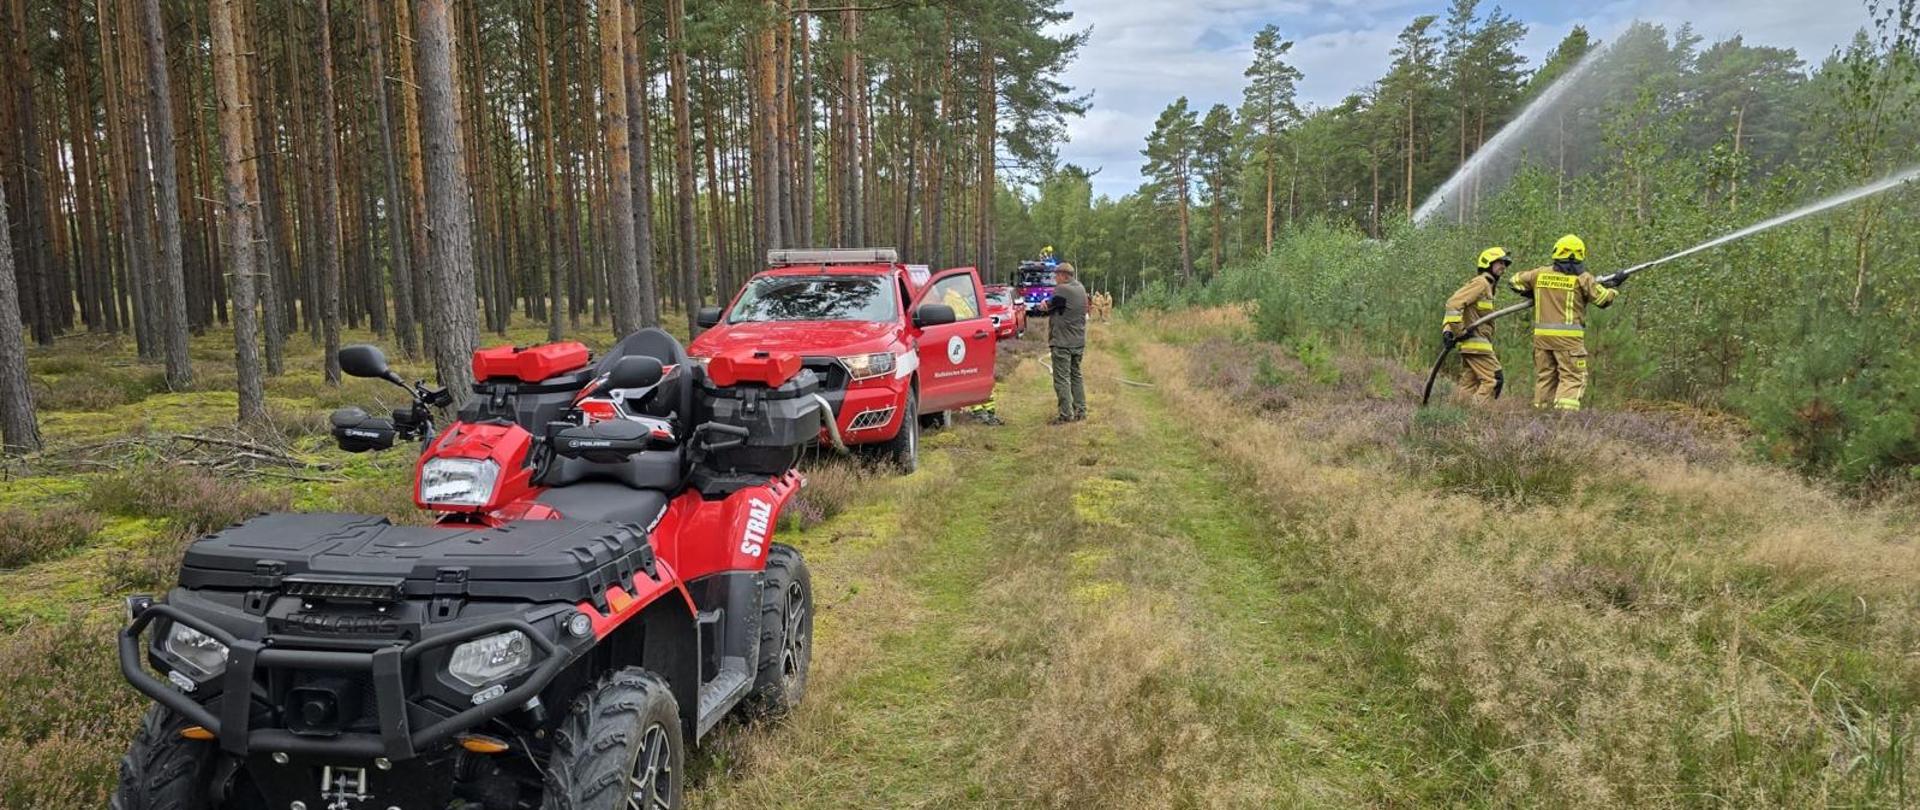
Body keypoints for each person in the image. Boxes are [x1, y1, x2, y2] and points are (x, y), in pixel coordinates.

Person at [1507, 234, 1621, 411]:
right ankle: (1563, 421)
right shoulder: (1583, 278)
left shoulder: (1540, 274)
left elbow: (1514, 281)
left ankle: (1541, 416)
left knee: (1545, 377)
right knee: (1573, 378)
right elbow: (1603, 300)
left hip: (1542, 340)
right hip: (1569, 342)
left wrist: (1534, 293)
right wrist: (1614, 286)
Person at [1441, 246, 1511, 400]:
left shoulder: (1488, 286)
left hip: (1474, 346)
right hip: (1476, 345)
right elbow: (1453, 304)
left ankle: (1455, 415)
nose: (1503, 267)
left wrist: (1448, 330)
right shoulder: (1481, 283)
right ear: (1488, 263)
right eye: (1500, 263)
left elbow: (1461, 308)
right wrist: (1458, 331)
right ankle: (1479, 415)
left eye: (1505, 264)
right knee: (1494, 380)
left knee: (1468, 384)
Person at [1031, 262, 1088, 423]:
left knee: (1062, 379)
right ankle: (1081, 411)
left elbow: (1051, 306)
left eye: (1056, 275)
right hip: (1078, 341)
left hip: (1063, 342)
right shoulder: (1080, 288)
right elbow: (1059, 305)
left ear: (1063, 275)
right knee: (1076, 376)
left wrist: (1043, 306)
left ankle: (1065, 415)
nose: (1054, 278)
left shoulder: (1062, 289)